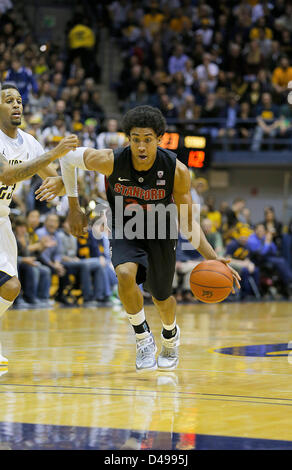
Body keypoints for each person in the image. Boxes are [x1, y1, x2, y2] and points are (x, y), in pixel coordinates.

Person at [38, 105, 240, 373]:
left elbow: (188, 222)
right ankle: (143, 337)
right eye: (135, 139)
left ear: (159, 139)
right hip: (125, 226)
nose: (141, 146)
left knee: (161, 297)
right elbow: (68, 158)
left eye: (148, 139)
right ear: (128, 139)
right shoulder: (111, 160)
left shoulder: (177, 171)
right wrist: (73, 207)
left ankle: (170, 335)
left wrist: (214, 259)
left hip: (161, 231)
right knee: (124, 274)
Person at [0, 83, 78, 366]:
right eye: (9, 100)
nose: (16, 104)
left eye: (19, 100)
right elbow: (7, 176)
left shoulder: (29, 142)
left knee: (10, 287)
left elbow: (52, 175)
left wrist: (60, 182)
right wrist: (54, 153)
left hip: (1, 219)